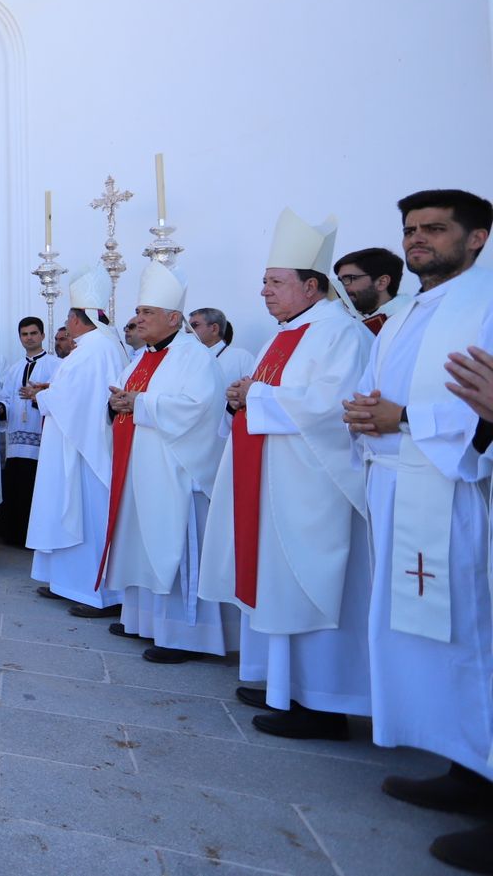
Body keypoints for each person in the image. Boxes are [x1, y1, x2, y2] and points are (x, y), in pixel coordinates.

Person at [342, 189, 492, 875]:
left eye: (435, 228)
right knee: (431, 630)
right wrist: (370, 413)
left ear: (479, 237)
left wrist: (403, 418)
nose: (419, 239)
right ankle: (464, 763)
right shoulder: (404, 313)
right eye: (410, 229)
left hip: (452, 487)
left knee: (469, 631)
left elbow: (477, 403)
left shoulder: (483, 301)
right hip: (399, 480)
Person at [199, 210, 372, 741]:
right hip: (274, 479)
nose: (265, 292)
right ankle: (283, 683)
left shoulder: (338, 332)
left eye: (276, 283)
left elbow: (330, 406)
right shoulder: (288, 333)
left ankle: (321, 701)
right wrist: (242, 396)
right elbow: (272, 392)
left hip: (312, 486)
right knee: (276, 580)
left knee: (306, 580)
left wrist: (258, 395)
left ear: (312, 286)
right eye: (265, 282)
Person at [99, 261, 236, 664]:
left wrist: (138, 403)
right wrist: (116, 403)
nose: (137, 319)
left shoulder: (194, 358)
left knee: (174, 546)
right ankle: (145, 621)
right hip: (141, 467)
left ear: (173, 318)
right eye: (138, 311)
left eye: (146, 312)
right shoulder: (141, 359)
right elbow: (123, 398)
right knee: (143, 544)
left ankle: (185, 635)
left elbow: (198, 409)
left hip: (177, 471)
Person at [27, 270, 129, 615]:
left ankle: (96, 593)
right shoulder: (98, 346)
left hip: (84, 449)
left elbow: (72, 398)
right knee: (71, 511)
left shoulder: (94, 349)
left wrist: (44, 397)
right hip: (74, 440)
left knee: (86, 514)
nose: (67, 322)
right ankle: (66, 582)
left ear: (78, 319)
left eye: (70, 316)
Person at [0, 316, 60, 547]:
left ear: (42, 335)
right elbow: (6, 398)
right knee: (15, 486)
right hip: (16, 439)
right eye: (24, 334)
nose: (29, 338)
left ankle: (35, 536)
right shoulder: (14, 369)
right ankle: (13, 534)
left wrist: (36, 398)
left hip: (41, 439)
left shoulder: (56, 366)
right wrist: (1, 408)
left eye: (33, 333)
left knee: (35, 488)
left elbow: (60, 399)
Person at [334, 246, 411, 334]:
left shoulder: (409, 322)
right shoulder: (355, 319)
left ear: (382, 282)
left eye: (349, 279)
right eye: (341, 281)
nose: (342, 288)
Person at [188, 307, 257, 384]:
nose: (187, 330)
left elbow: (252, 391)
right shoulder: (186, 359)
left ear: (214, 328)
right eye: (187, 326)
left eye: (194, 325)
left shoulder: (242, 358)